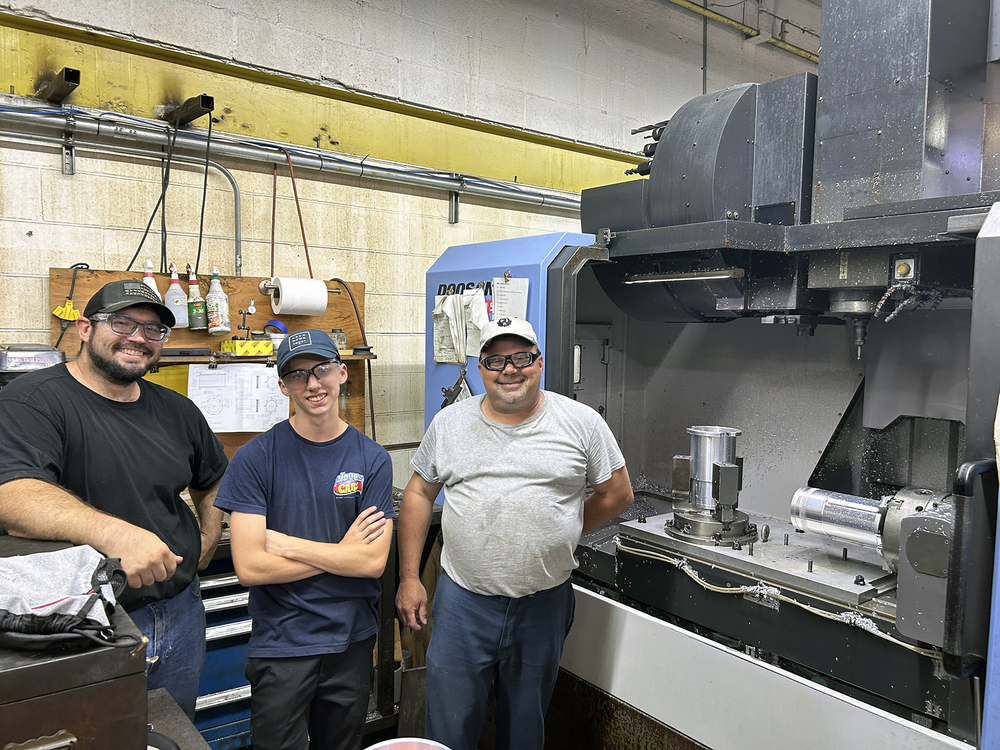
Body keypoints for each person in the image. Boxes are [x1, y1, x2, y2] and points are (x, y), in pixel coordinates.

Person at [396, 316, 634, 750]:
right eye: (496, 360)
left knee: (525, 730)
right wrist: (410, 578)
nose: (510, 369)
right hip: (463, 604)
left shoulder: (581, 422)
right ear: (482, 368)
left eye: (521, 357)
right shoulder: (449, 424)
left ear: (539, 363)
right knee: (449, 725)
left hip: (543, 605)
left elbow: (617, 494)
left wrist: (562, 526)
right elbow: (418, 492)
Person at [0, 279, 229, 719]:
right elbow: (13, 495)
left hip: (180, 610)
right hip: (83, 623)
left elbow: (212, 478)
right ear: (85, 328)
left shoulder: (177, 409)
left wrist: (207, 533)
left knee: (172, 730)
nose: (138, 338)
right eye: (121, 322)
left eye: (152, 329)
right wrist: (116, 534)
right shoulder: (30, 401)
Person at [214, 329, 394, 750]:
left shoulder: (372, 459)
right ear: (282, 386)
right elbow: (251, 567)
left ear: (342, 372)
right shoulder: (255, 458)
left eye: (322, 369)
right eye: (297, 375)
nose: (313, 384)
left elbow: (371, 564)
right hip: (281, 644)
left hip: (351, 642)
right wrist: (342, 553)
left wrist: (288, 544)